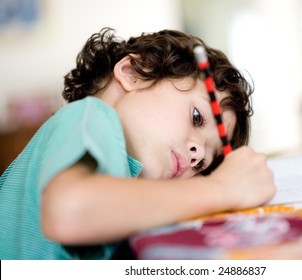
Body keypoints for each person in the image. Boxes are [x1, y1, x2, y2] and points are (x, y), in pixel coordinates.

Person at [0, 27, 275, 259]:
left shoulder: (126, 181)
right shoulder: (91, 116)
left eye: (205, 162)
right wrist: (220, 188)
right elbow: (69, 210)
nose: (197, 153)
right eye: (196, 118)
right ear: (133, 72)